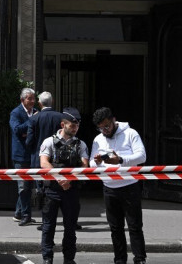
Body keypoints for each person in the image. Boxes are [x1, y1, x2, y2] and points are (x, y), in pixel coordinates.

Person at [90, 107, 147, 264]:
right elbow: (91, 164)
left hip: (130, 186)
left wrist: (120, 160)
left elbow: (141, 156)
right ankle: (120, 260)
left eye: (107, 126)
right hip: (109, 188)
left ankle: (140, 259)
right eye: (100, 128)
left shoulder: (130, 133)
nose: (104, 130)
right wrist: (96, 162)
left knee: (134, 226)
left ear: (114, 120)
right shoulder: (98, 139)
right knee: (116, 228)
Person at [39, 107, 89, 264]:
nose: (75, 129)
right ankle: (47, 257)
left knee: (70, 228)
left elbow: (84, 166)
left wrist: (69, 180)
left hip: (71, 191)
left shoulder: (80, 144)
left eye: (77, 126)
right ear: (63, 125)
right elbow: (44, 163)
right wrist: (61, 178)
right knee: (48, 227)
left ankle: (69, 258)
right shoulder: (49, 142)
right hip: (52, 190)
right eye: (71, 126)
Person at [27, 92, 65, 229]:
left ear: (40, 103)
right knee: (61, 189)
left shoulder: (34, 119)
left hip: (39, 158)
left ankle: (46, 221)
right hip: (57, 158)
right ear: (52, 101)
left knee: (42, 190)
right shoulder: (60, 117)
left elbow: (29, 141)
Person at [9, 87, 38, 226]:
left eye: (33, 98)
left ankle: (18, 212)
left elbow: (34, 132)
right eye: (29, 98)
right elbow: (16, 130)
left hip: (31, 154)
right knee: (23, 187)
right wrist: (31, 122)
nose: (33, 101)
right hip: (20, 156)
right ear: (22, 100)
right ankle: (26, 215)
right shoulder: (16, 113)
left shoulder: (36, 111)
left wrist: (28, 132)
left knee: (28, 186)